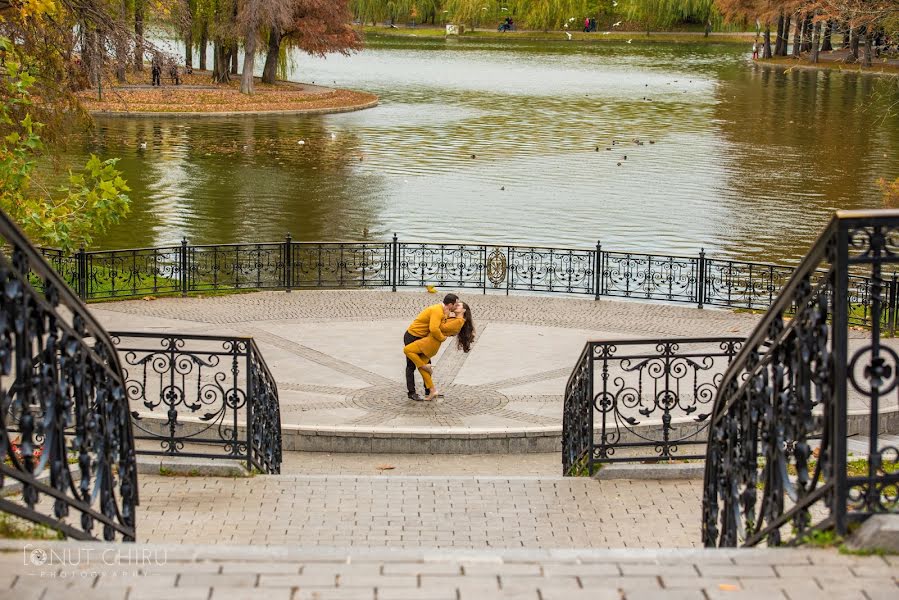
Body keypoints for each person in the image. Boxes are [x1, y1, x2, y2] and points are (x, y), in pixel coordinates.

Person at [404, 302, 475, 401]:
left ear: (464, 311)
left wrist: (444, 315)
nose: (455, 306)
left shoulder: (458, 321)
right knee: (420, 367)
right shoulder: (455, 318)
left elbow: (440, 327)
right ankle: (432, 390)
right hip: (429, 341)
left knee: (408, 351)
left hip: (430, 343)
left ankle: (424, 380)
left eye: (458, 305)